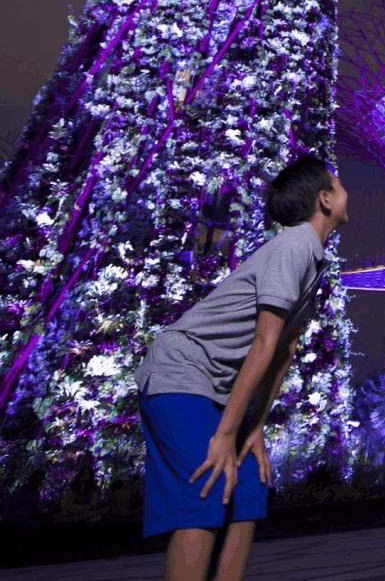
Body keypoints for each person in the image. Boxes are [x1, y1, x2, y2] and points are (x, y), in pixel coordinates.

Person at [133, 153, 348, 581]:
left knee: (249, 487)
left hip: (214, 386)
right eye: (339, 184)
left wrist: (254, 429)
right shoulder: (296, 244)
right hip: (181, 371)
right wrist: (227, 433)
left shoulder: (313, 256)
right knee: (208, 487)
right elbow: (265, 342)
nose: (346, 191)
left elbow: (283, 353)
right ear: (325, 199)